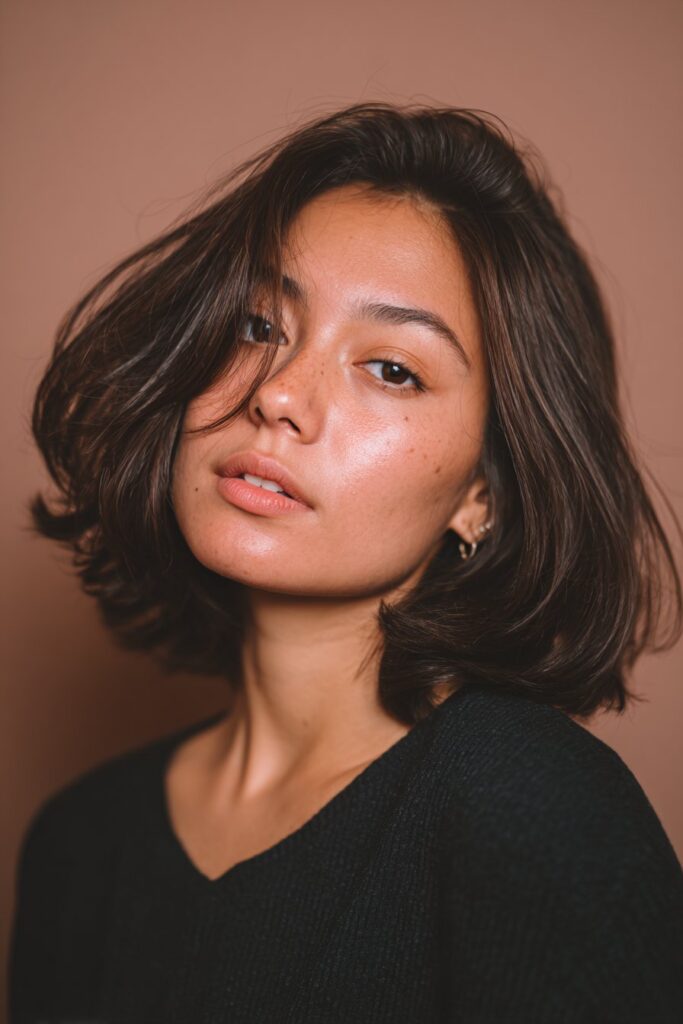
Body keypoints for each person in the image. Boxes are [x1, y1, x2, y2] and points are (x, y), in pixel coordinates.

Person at [8, 101, 683, 1023]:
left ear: (480, 495)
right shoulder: (80, 843)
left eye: (391, 369)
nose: (279, 394)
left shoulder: (525, 803)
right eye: (257, 324)